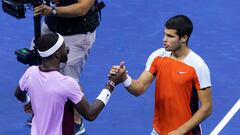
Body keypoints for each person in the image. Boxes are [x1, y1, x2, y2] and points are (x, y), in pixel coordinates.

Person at [110, 15, 213, 135]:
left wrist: (180, 131)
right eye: (164, 34)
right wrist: (124, 78)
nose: (164, 39)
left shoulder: (198, 66)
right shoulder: (158, 56)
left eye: (170, 36)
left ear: (184, 38)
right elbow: (139, 88)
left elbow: (207, 107)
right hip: (158, 131)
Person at [15, 33, 122, 135]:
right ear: (57, 55)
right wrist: (111, 84)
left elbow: (18, 94)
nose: (67, 49)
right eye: (64, 47)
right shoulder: (67, 84)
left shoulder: (30, 73)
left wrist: (28, 102)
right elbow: (90, 114)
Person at [31, 0, 105, 134]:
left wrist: (52, 11)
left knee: (68, 80)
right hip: (51, 27)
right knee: (40, 67)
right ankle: (45, 113)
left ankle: (76, 120)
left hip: (77, 34)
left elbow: (82, 8)